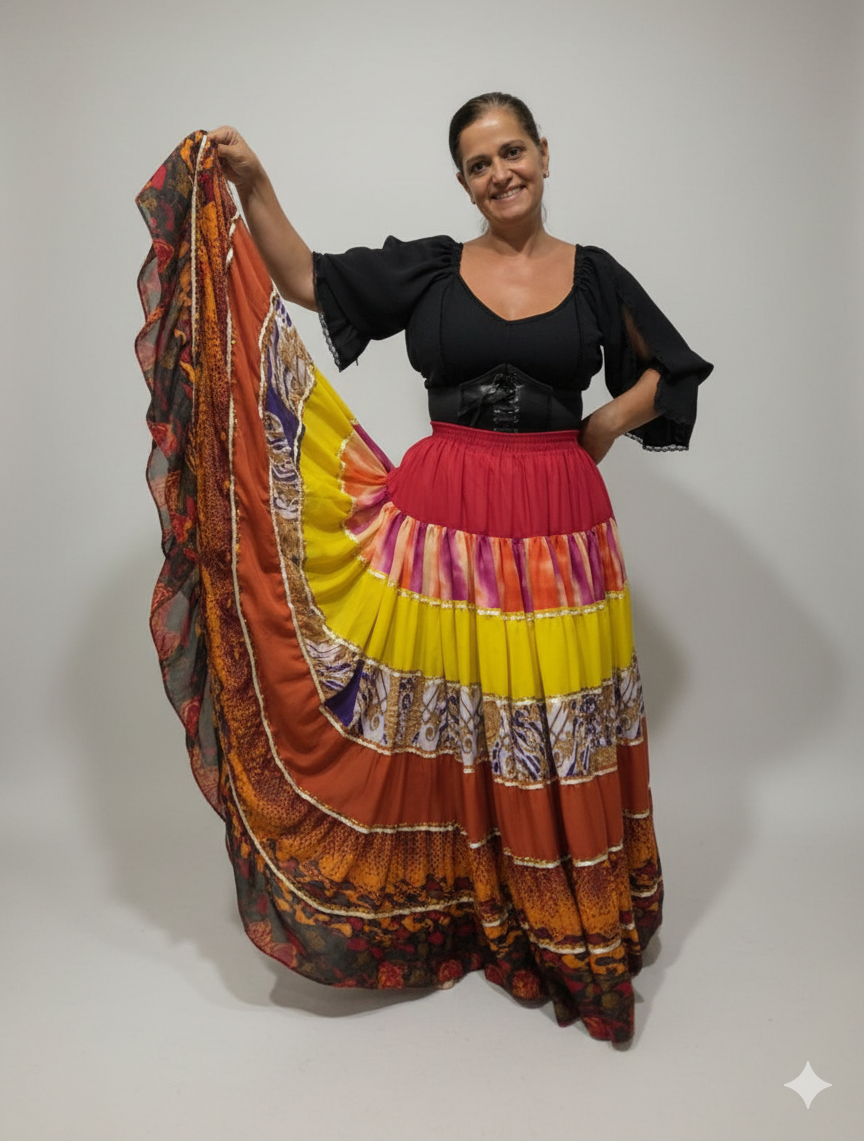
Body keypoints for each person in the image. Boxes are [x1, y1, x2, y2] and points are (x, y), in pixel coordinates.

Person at [136, 93, 711, 1045]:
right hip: (443, 523)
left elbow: (672, 369)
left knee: (553, 723)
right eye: (480, 164)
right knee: (467, 720)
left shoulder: (596, 275)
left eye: (512, 152)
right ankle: (480, 904)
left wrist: (605, 421)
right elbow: (306, 278)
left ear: (544, 154)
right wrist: (255, 183)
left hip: (559, 522)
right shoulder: (435, 268)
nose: (500, 174)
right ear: (463, 182)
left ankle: (565, 912)